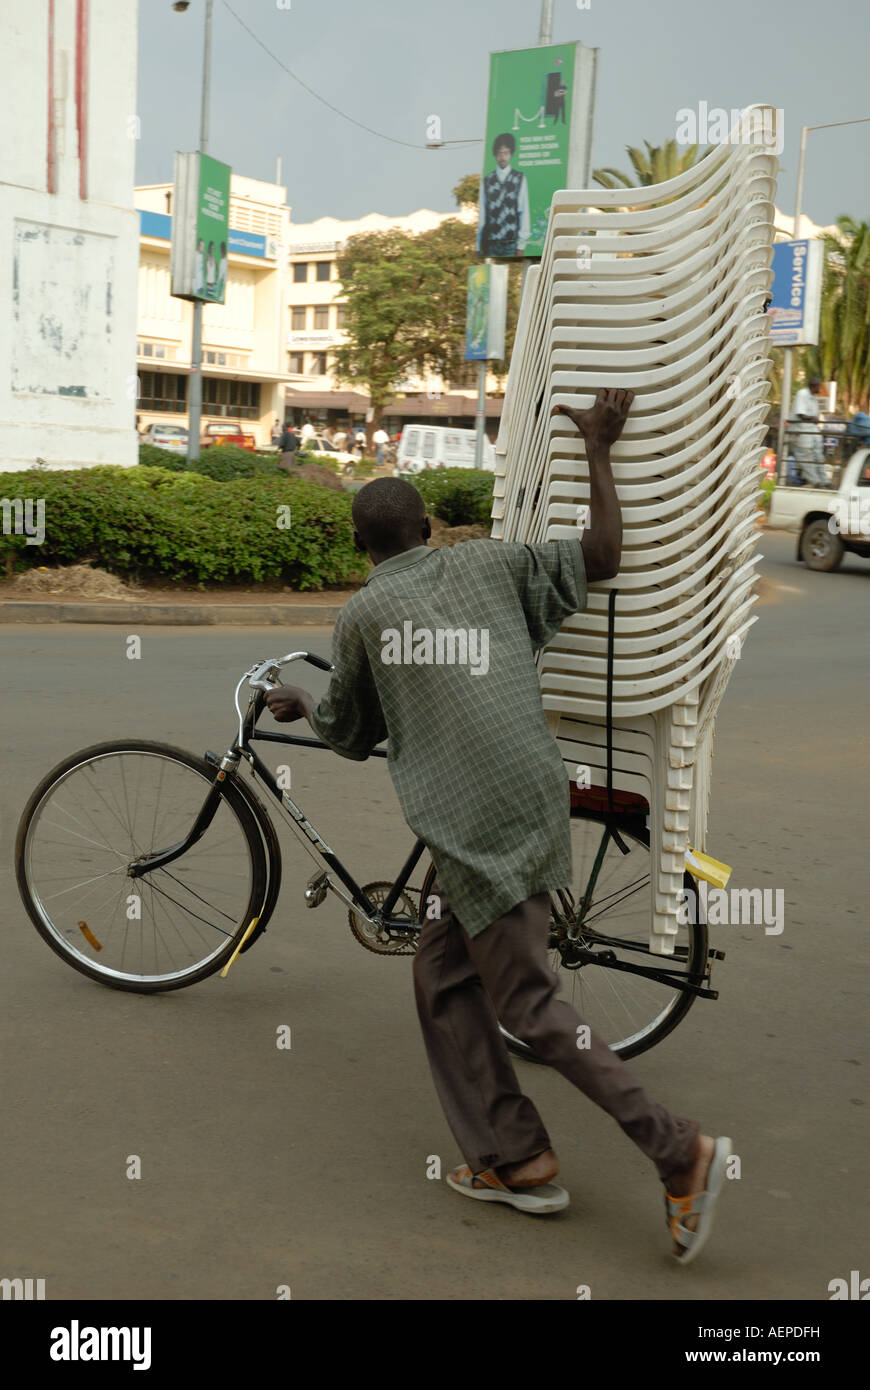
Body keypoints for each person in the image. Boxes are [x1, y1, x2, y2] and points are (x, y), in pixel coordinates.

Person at [264, 388, 731, 1266]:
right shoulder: (490, 564)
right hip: (528, 790)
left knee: (528, 1005)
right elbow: (601, 554)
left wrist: (303, 704)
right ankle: (517, 1158)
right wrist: (598, 445)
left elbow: (349, 732)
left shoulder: (364, 616)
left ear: (360, 547)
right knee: (442, 973)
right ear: (430, 525)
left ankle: (679, 1149)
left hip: (475, 829)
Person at [478, 132, 531, 258]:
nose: (502, 157)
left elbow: (524, 212)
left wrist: (521, 245)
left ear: (511, 153)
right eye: (499, 153)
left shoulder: (519, 178)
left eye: (506, 153)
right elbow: (482, 216)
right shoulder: (487, 180)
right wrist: (477, 245)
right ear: (495, 155)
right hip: (491, 244)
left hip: (510, 243)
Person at [790, 377, 827, 485]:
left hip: (811, 429)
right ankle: (816, 481)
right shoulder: (803, 394)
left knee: (818, 455)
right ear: (813, 386)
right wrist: (814, 419)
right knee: (806, 456)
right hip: (801, 430)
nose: (820, 388)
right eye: (819, 386)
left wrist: (815, 420)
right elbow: (800, 414)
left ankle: (824, 480)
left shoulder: (814, 397)